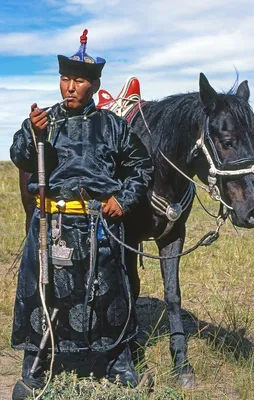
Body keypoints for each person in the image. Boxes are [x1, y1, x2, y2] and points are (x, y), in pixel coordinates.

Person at [10, 29, 153, 399]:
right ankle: (36, 367)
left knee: (109, 294)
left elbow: (141, 167)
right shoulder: (46, 122)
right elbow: (21, 157)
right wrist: (32, 134)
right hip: (51, 224)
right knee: (43, 293)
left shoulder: (114, 127)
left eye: (79, 81)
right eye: (65, 79)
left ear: (94, 84)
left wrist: (122, 198)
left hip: (97, 225)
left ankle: (118, 363)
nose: (70, 87)